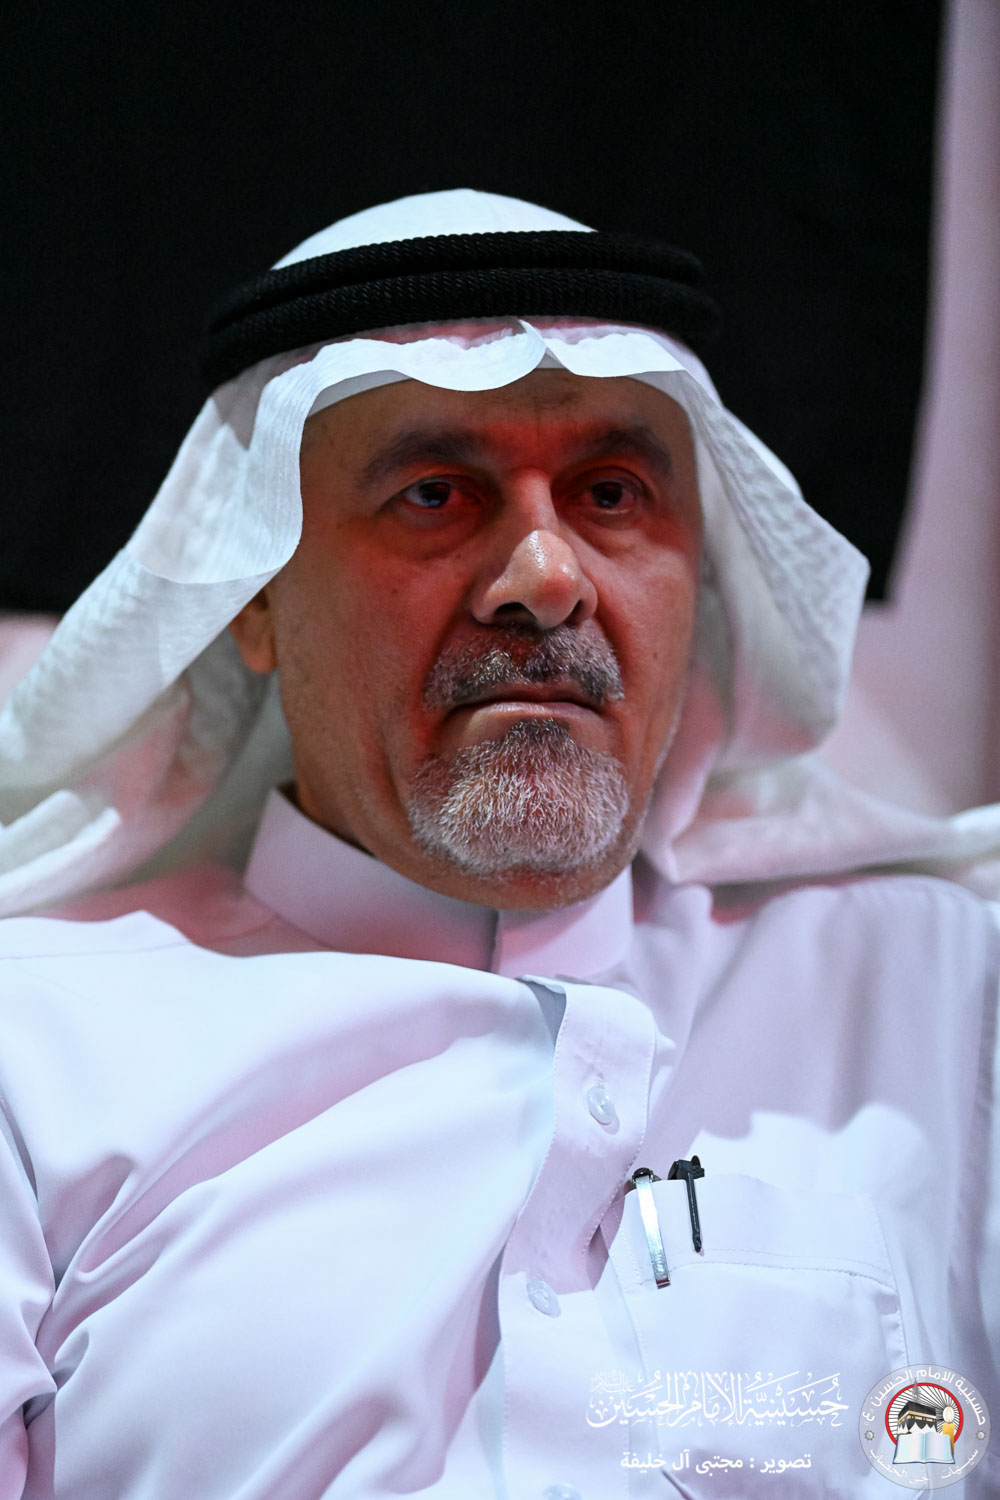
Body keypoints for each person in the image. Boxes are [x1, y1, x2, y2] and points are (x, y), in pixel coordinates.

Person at [0, 189, 997, 1498]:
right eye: (433, 493)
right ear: (254, 597)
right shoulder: (34, 1052)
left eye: (611, 492)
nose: (545, 575)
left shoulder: (942, 998)